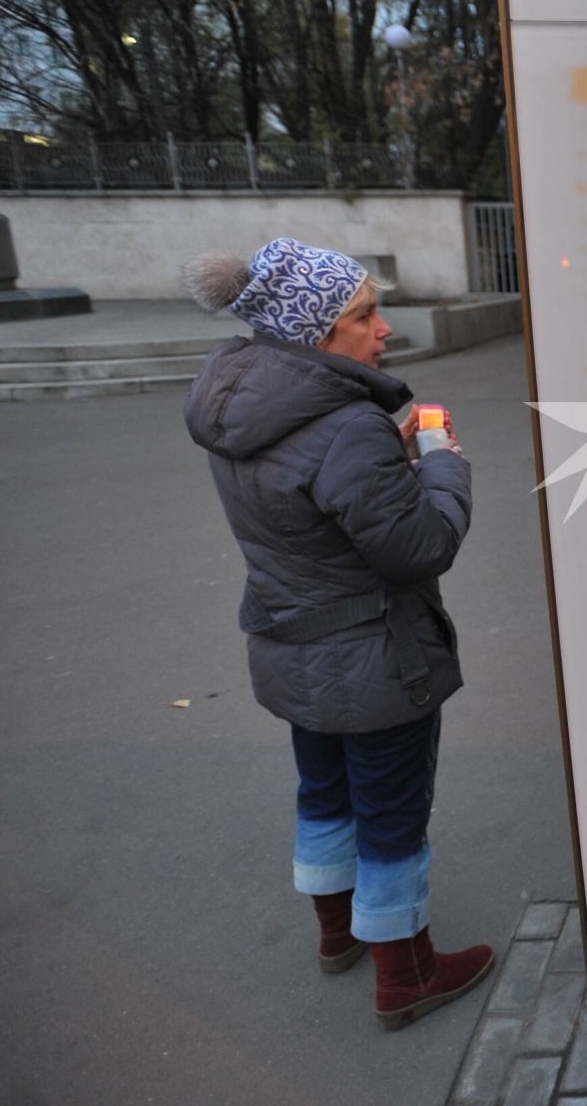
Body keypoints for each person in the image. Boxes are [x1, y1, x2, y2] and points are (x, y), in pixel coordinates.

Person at [181, 237, 493, 1030]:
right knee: (391, 815)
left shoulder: (241, 409)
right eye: (365, 315)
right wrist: (442, 461)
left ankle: (337, 935)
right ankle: (407, 974)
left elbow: (302, 504)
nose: (383, 328)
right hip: (375, 659)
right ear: (317, 332)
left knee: (325, 793)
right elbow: (420, 545)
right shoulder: (347, 425)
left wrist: (388, 462)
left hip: (291, 648)